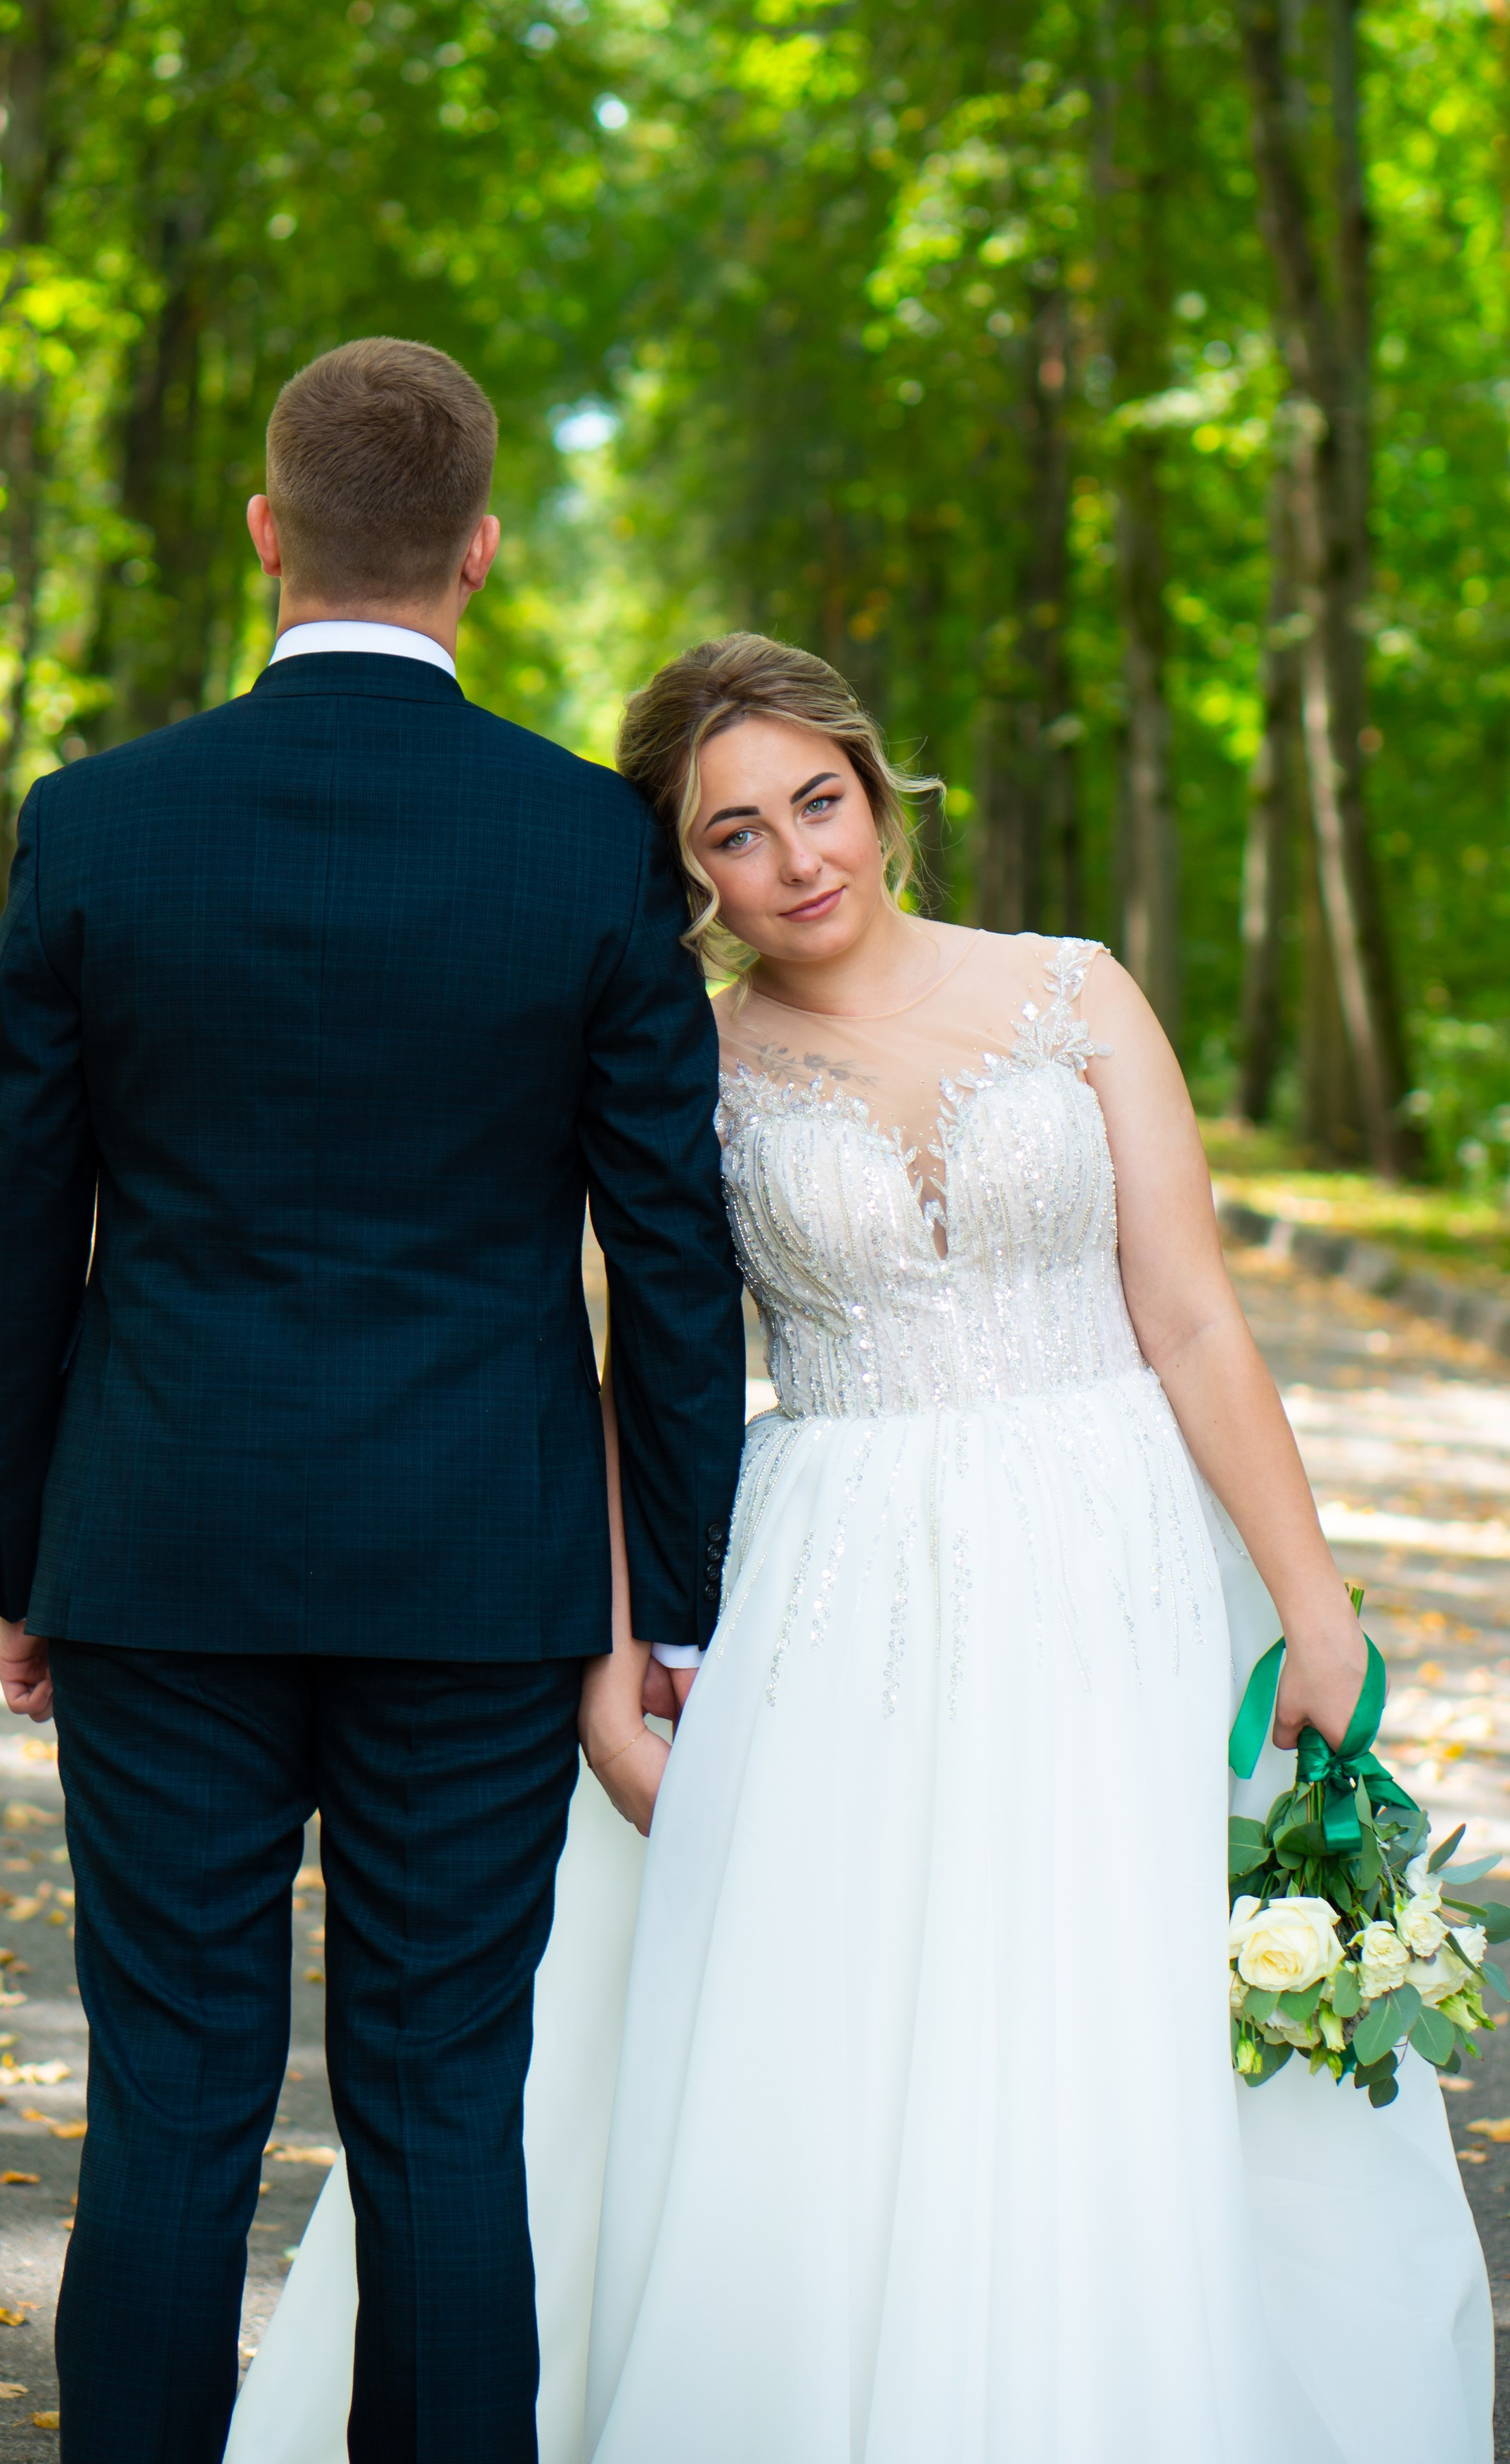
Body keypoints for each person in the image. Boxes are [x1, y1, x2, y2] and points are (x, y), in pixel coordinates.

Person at [233, 630, 1492, 2464]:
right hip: (834, 1582)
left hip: (1114, 1568)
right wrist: (606, 1671)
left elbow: (1197, 1322)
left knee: (1101, 2019)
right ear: (688, 870)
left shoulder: (1071, 992)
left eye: (814, 801)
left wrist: (1308, 1607)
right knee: (827, 2045)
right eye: (733, 835)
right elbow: (604, 1370)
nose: (795, 859)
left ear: (873, 782)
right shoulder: (678, 1058)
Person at [0, 339, 744, 2464]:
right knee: (437, 2119)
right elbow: (671, 1256)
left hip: (160, 1556)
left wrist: (28, 1555)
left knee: (176, 2108)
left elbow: (14, 1228)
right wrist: (671, 1599)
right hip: (479, 1582)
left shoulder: (100, 828)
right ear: (480, 555)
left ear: (262, 532)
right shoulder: (589, 848)